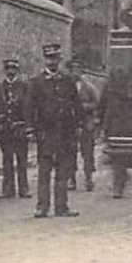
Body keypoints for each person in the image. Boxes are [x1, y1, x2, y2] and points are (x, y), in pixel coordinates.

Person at [28, 43, 83, 217]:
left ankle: (62, 206)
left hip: (65, 132)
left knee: (63, 170)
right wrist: (32, 129)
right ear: (45, 60)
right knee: (44, 171)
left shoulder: (68, 81)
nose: (52, 62)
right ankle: (42, 207)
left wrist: (78, 126)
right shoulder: (36, 82)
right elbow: (30, 108)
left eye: (55, 59)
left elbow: (77, 105)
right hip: (46, 132)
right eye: (49, 58)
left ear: (59, 60)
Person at [0, 57, 33, 199]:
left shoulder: (24, 87)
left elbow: (29, 108)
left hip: (20, 127)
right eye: (8, 69)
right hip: (5, 128)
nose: (10, 72)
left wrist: (28, 126)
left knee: (22, 159)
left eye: (13, 69)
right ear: (5, 70)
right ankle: (8, 189)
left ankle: (24, 188)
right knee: (7, 159)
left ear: (17, 70)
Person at [70, 63, 104, 193]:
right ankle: (71, 179)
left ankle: (88, 178)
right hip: (71, 124)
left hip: (86, 124)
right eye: (72, 71)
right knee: (70, 153)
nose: (75, 73)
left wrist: (85, 106)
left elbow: (97, 103)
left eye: (77, 71)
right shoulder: (67, 87)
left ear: (81, 72)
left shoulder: (89, 87)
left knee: (87, 153)